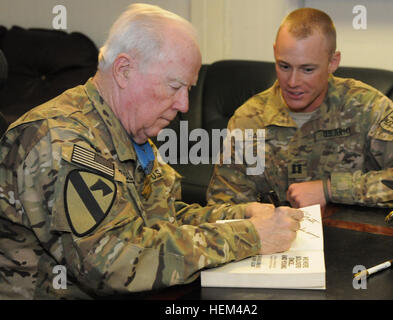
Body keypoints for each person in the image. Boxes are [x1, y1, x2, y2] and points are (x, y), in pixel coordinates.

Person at [0, 4, 303, 299]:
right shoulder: (64, 142)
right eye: (174, 86)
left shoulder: (128, 132)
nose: (184, 105)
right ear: (124, 70)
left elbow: (159, 220)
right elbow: (114, 262)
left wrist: (241, 215)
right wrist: (249, 236)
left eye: (188, 89)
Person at [207, 7, 393, 209]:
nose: (292, 82)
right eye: (284, 66)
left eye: (307, 69)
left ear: (333, 62)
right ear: (274, 53)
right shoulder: (248, 120)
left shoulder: (365, 106)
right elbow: (223, 208)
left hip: (356, 239)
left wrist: (331, 189)